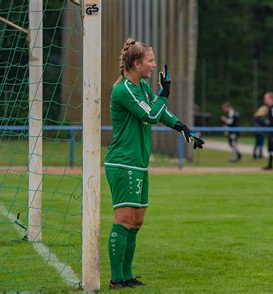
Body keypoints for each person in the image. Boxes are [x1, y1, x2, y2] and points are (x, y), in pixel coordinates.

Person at [104, 38, 204, 289]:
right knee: (124, 219)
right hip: (123, 162)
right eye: (150, 60)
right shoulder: (123, 89)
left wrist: (184, 129)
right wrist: (164, 93)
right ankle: (117, 279)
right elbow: (150, 115)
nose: (154, 65)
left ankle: (127, 277)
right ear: (137, 64)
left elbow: (161, 113)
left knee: (136, 222)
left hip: (138, 163)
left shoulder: (144, 89)